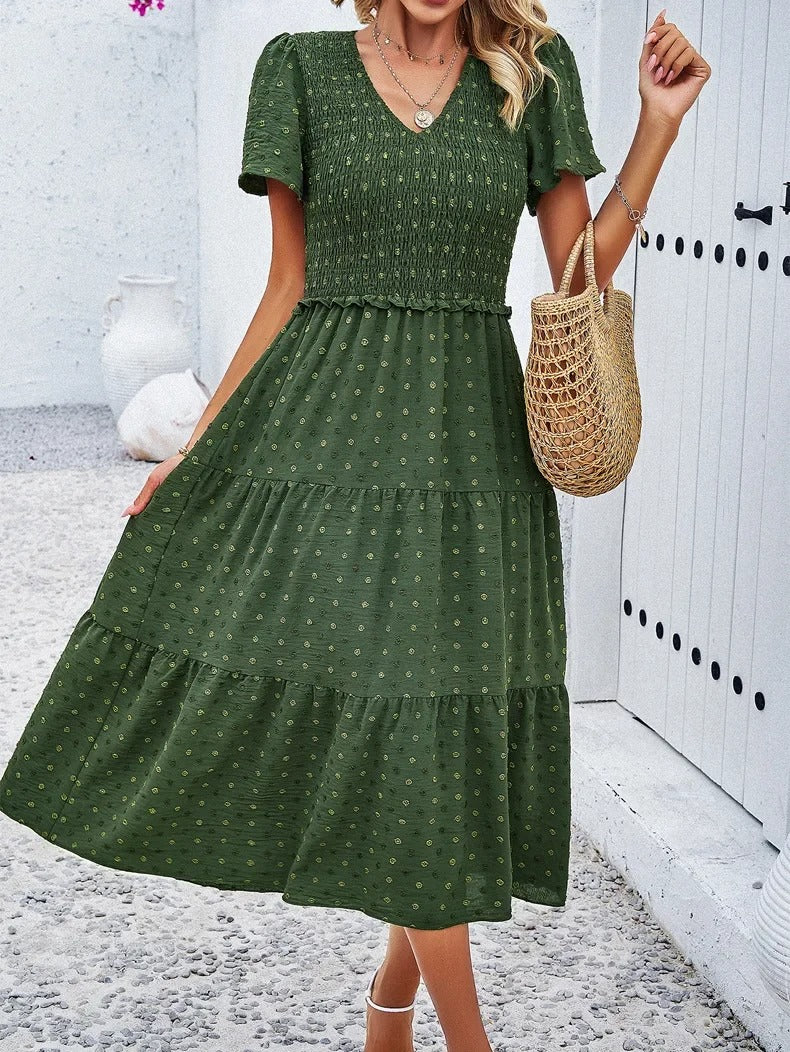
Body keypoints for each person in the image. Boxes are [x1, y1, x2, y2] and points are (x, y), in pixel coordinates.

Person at [0, 2, 709, 1050]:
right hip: (327, 439)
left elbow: (578, 276)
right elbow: (288, 285)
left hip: (471, 454)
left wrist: (657, 126)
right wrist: (198, 445)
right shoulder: (299, 70)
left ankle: (387, 1004)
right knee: (402, 715)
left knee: (428, 729)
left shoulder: (530, 71)